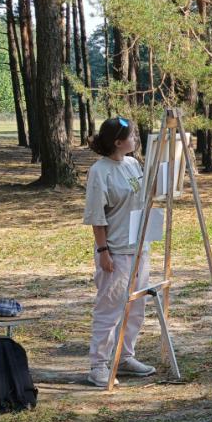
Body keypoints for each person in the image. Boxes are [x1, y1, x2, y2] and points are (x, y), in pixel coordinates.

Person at [82, 117, 156, 387]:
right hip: (116, 251)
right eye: (132, 136)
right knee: (109, 310)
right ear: (117, 142)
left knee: (136, 308)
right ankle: (98, 364)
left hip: (139, 247)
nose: (135, 140)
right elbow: (96, 215)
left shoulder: (133, 164)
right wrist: (103, 251)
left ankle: (125, 357)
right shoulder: (100, 171)